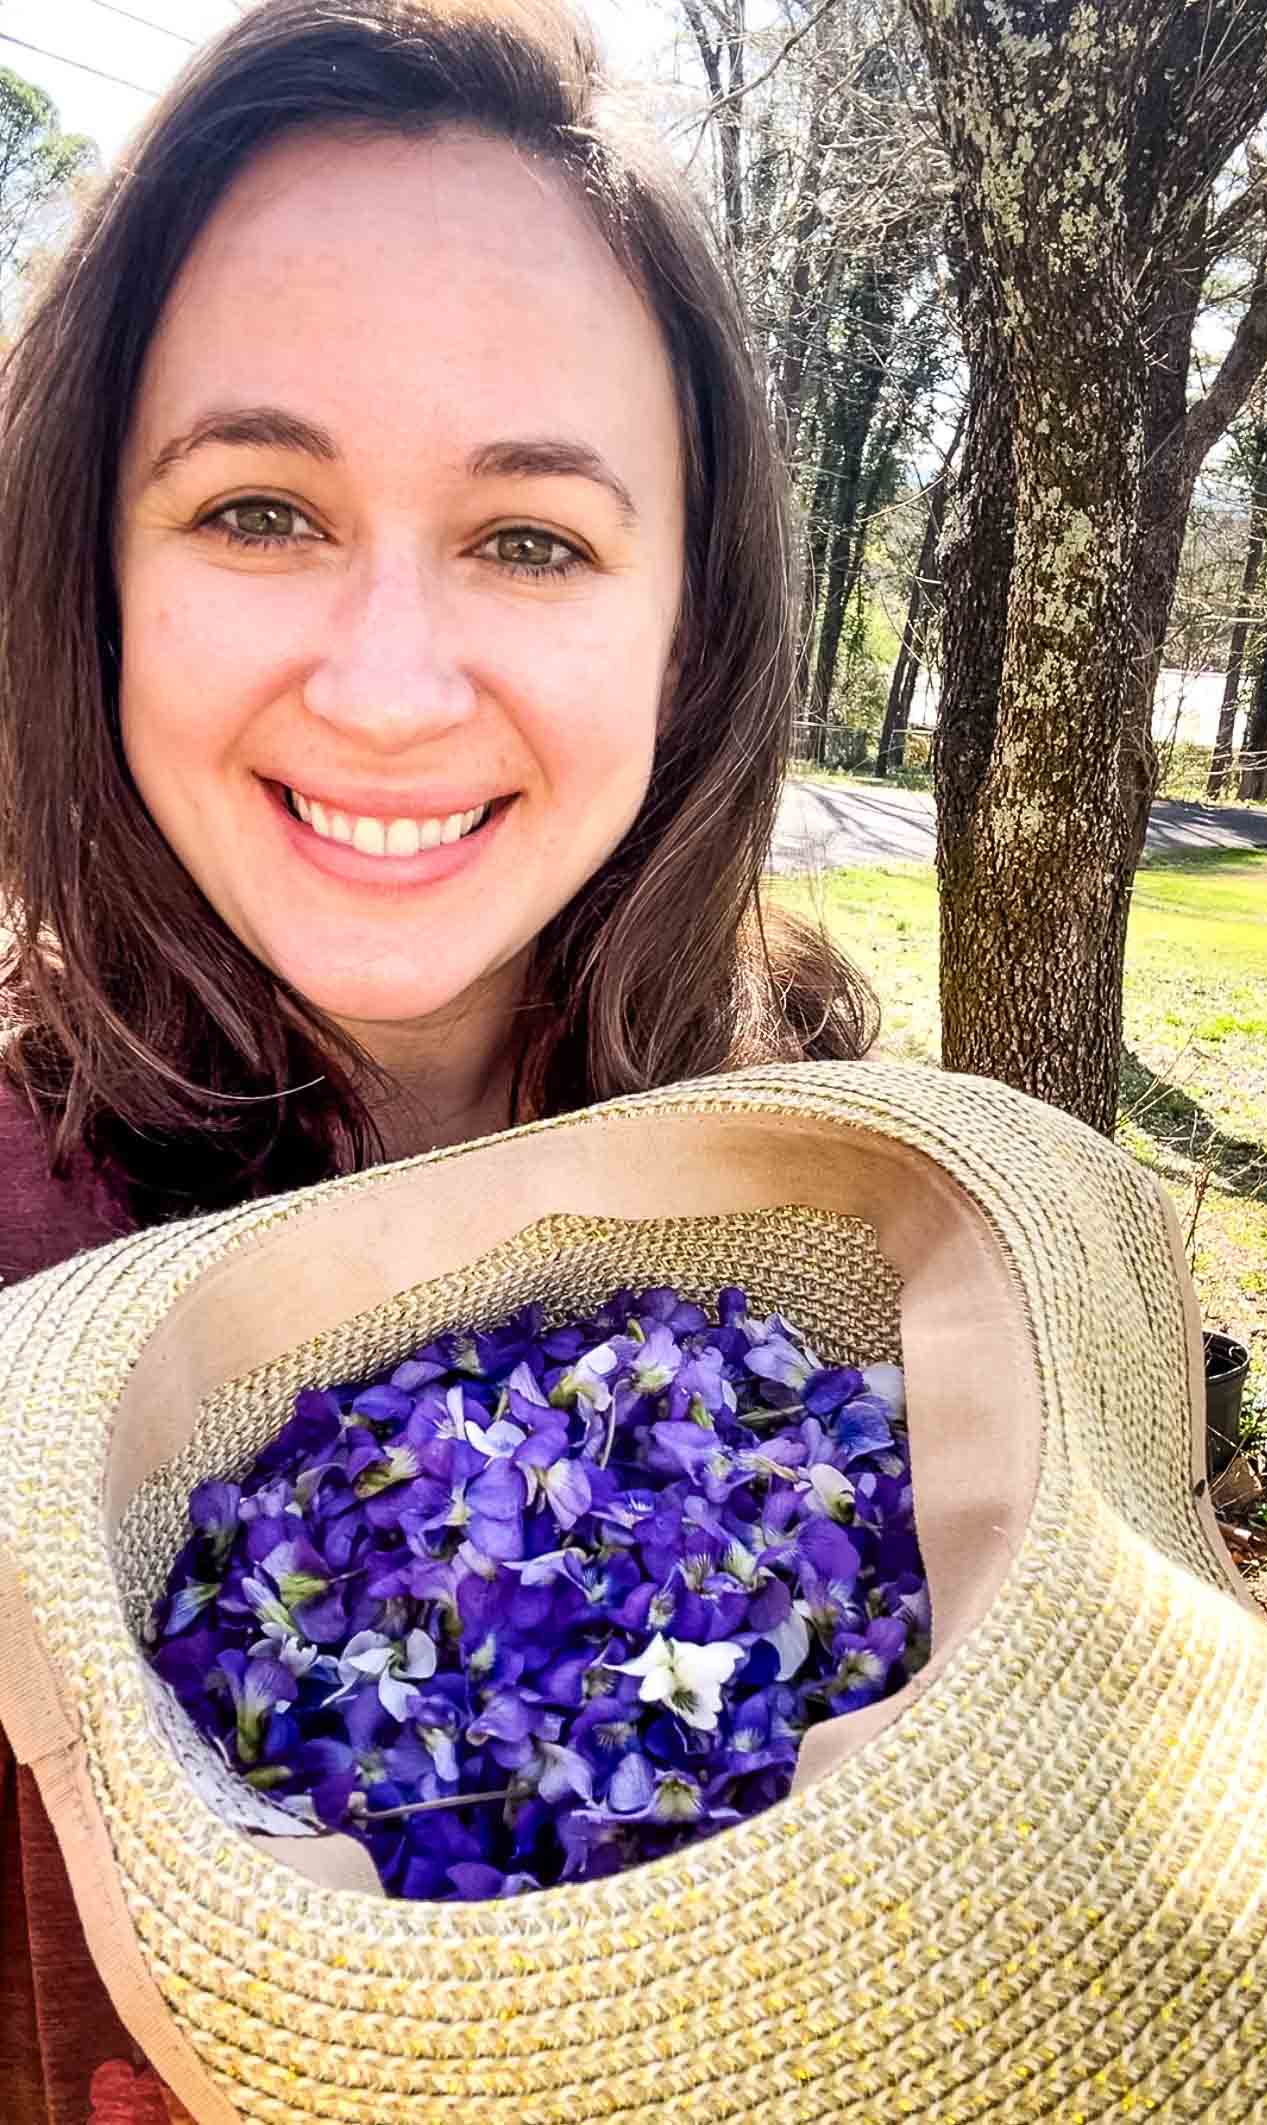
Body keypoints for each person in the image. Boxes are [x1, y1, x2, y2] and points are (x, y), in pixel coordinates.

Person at [0, 0, 879, 2113]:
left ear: (692, 626)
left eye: (530, 539)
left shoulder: (845, 1191)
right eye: (258, 510)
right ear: (97, 576)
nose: (388, 687)